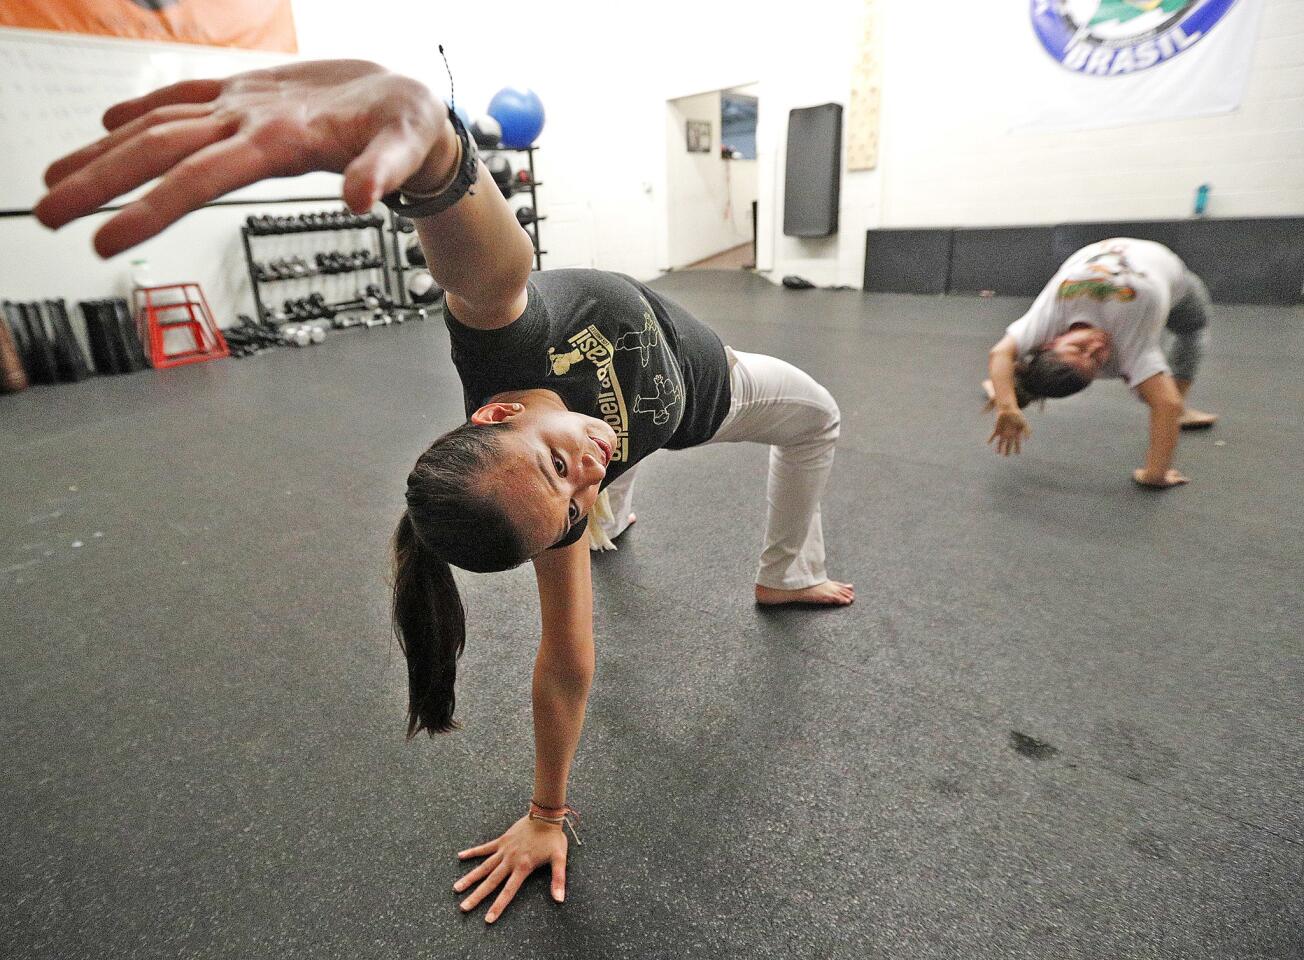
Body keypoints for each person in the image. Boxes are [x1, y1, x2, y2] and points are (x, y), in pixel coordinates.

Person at [34, 59, 853, 922]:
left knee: (686, 442)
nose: (585, 470)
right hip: (701, 402)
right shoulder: (555, 496)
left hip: (667, 385)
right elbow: (567, 662)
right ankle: (776, 574)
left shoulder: (506, 338)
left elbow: (487, 261)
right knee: (776, 428)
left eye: (553, 470)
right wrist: (547, 815)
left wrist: (434, 156)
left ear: (498, 412)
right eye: (567, 504)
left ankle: (676, 528)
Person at [984, 237, 1218, 488]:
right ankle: (1003, 382)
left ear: (1051, 341)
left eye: (1079, 346)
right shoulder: (1129, 345)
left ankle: (1004, 384)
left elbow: (1000, 354)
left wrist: (1007, 406)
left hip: (1132, 258)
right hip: (1156, 272)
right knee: (1191, 332)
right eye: (1096, 359)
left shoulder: (1050, 317)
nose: (1097, 345)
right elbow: (1167, 404)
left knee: (1188, 334)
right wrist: (1155, 474)